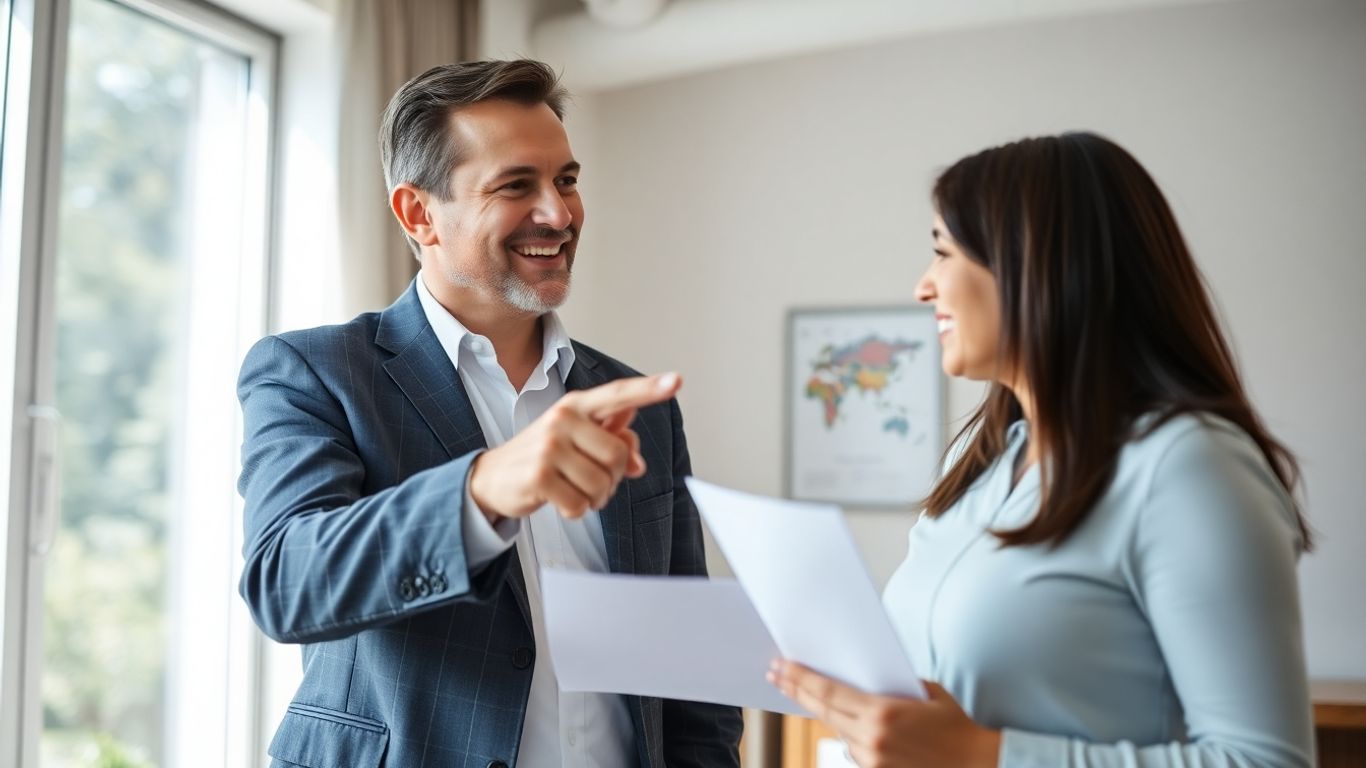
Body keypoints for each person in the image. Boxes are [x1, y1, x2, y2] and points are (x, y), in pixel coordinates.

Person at [236, 59, 741, 768]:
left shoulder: (636, 404)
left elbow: (690, 664)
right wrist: (483, 490)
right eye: (516, 185)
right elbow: (287, 582)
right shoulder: (316, 372)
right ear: (419, 214)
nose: (560, 214)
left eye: (566, 180)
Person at [768, 132, 1315, 768]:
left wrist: (986, 757)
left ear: (1034, 263)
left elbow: (1267, 760)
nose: (924, 287)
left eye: (943, 253)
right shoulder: (978, 461)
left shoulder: (1186, 466)